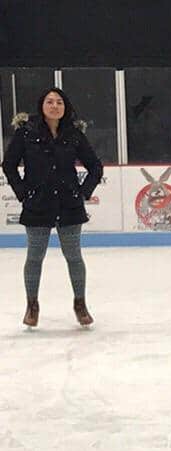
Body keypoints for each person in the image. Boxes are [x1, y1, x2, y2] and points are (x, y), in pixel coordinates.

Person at [4, 87, 104, 329]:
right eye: (50, 102)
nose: (54, 106)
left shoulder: (74, 134)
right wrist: (23, 193)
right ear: (41, 106)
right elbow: (9, 165)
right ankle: (32, 305)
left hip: (69, 206)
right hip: (37, 205)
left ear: (65, 107)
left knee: (74, 257)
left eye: (59, 102)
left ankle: (80, 304)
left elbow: (95, 167)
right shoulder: (26, 132)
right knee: (35, 257)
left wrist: (82, 192)